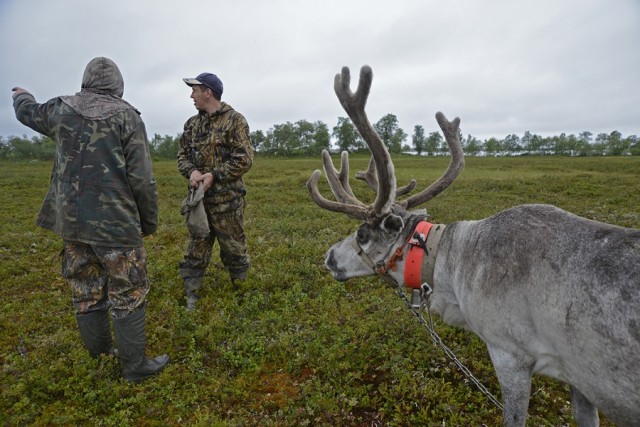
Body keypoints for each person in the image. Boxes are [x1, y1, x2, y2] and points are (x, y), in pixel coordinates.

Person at [12, 57, 169, 382]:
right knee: (129, 290)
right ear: (118, 84)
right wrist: (148, 223)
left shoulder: (60, 109)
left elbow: (28, 112)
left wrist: (20, 96)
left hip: (72, 222)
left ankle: (100, 357)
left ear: (86, 81)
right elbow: (142, 179)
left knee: (86, 288)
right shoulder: (127, 116)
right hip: (116, 225)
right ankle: (135, 367)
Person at [177, 72, 253, 310]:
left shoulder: (235, 121)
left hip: (227, 203)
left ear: (208, 92)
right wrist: (191, 172)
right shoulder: (192, 124)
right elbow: (182, 156)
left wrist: (214, 175)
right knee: (195, 250)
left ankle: (242, 295)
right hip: (200, 203)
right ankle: (191, 296)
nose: (192, 95)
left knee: (234, 250)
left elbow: (244, 159)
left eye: (195, 90)